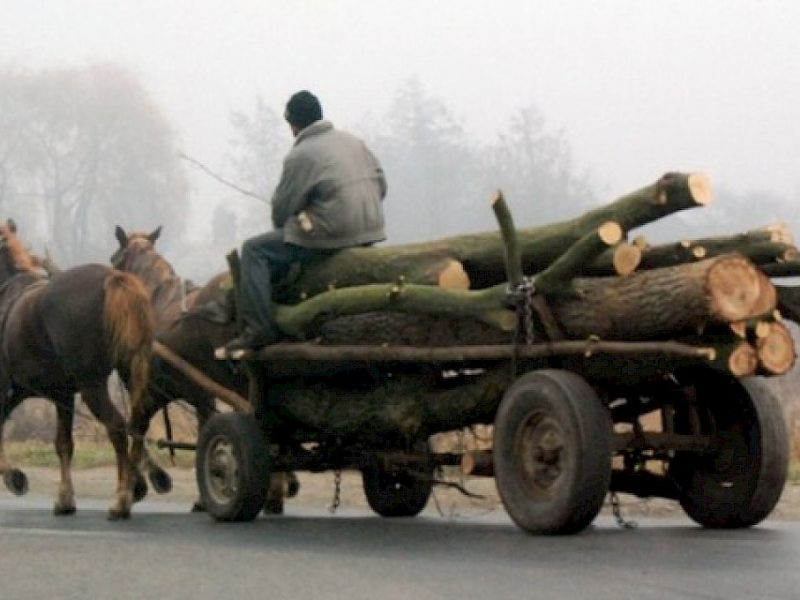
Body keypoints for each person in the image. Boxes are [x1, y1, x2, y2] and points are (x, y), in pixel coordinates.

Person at [222, 90, 387, 353]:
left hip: (333, 233)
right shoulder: (355, 142)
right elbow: (382, 185)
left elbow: (281, 212)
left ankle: (258, 330)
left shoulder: (300, 154)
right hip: (372, 229)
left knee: (254, 250)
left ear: (293, 125)